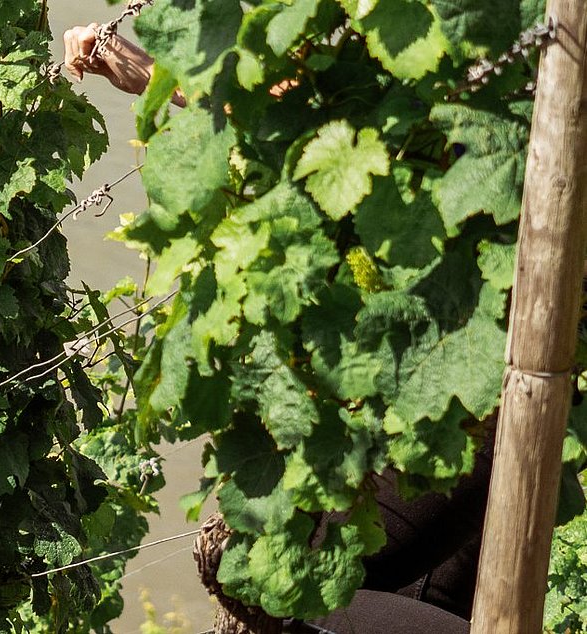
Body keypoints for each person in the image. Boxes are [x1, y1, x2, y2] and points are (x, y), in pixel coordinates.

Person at [62, 23, 484, 632]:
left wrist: (154, 77)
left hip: (462, 374)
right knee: (429, 598)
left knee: (258, 574)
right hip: (493, 360)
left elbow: (311, 109)